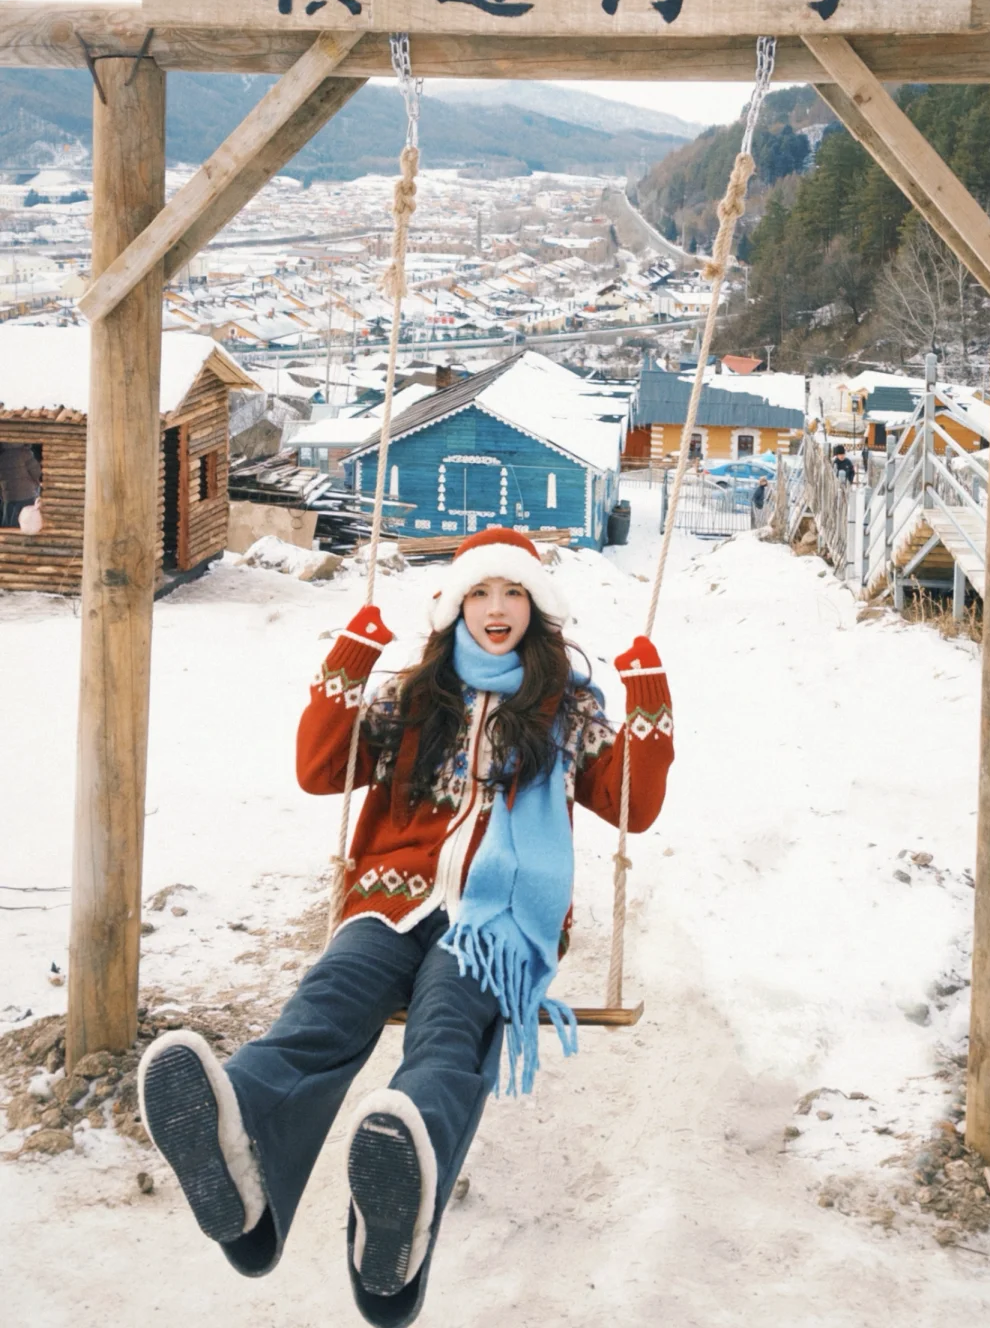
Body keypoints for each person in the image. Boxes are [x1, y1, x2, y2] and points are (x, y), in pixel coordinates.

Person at [137, 526, 674, 1323]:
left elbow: (636, 803)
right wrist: (350, 660)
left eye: (513, 592)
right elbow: (320, 770)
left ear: (536, 605)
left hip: (499, 922)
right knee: (327, 1001)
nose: (496, 608)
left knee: (449, 1026)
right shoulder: (413, 697)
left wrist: (651, 698)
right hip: (392, 896)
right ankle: (240, 1141)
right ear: (455, 606)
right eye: (480, 592)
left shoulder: (568, 708)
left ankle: (402, 1169)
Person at [0, 441, 41, 528]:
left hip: (8, 498)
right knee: (27, 523)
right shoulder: (25, 454)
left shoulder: (2, 457)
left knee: (8, 525)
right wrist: (37, 484)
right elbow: (36, 473)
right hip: (26, 495)